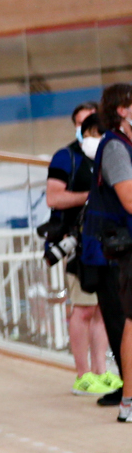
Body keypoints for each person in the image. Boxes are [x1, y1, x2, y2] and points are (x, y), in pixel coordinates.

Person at [46, 104, 117, 397]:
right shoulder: (67, 157)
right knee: (84, 307)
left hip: (104, 244)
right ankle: (81, 373)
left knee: (101, 308)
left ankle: (101, 370)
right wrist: (93, 197)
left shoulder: (107, 155)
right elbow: (54, 197)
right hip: (77, 243)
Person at [83, 82, 132, 423]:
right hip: (118, 249)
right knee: (123, 319)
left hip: (118, 247)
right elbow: (128, 198)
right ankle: (127, 395)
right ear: (121, 110)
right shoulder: (116, 147)